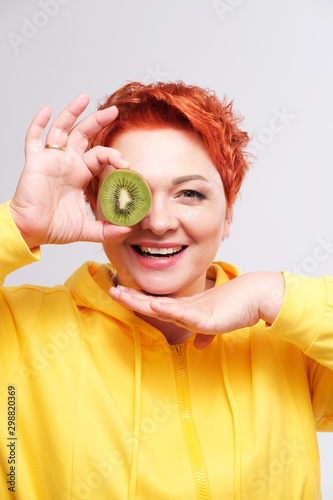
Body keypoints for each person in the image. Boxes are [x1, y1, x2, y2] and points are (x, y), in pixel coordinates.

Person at [0, 81, 332, 500]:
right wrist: (18, 225)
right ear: (97, 204)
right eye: (133, 193)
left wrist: (275, 294)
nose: (157, 222)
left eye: (189, 193)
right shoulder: (19, 332)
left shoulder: (290, 338)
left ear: (228, 213)